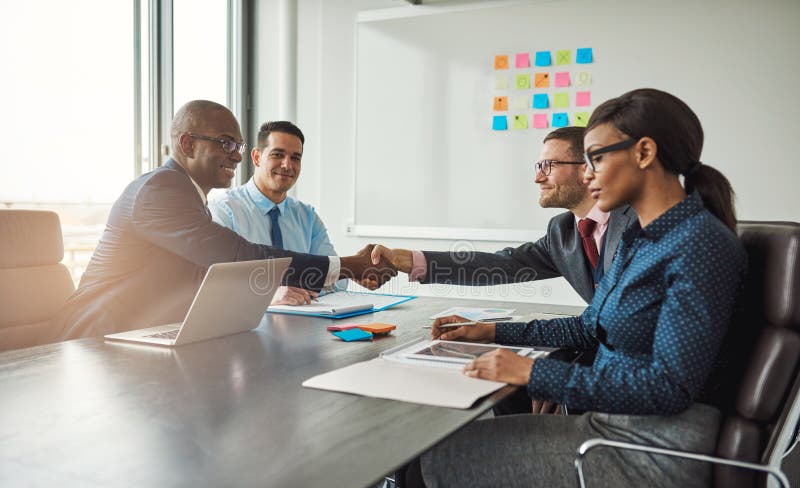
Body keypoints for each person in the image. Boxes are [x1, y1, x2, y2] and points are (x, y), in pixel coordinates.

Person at [405, 88, 748, 488]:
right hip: (610, 431)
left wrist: (534, 374)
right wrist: (492, 333)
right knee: (435, 453)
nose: (588, 176)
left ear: (645, 152)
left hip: (651, 461)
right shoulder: (641, 239)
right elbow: (590, 329)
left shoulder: (697, 243)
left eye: (597, 159)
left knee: (432, 467)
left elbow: (669, 388)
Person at [50, 100, 395, 341]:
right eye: (226, 142)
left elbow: (209, 276)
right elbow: (238, 257)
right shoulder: (160, 190)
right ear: (187, 144)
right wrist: (351, 266)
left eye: (239, 146)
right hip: (92, 339)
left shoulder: (189, 196)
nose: (236, 154)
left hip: (145, 333)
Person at [370, 126, 636, 305]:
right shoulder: (563, 230)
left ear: (587, 168)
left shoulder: (638, 220)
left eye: (548, 166)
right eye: (537, 166)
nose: (537, 177)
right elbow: (502, 265)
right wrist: (409, 260)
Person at [209, 120, 346, 306]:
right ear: (257, 157)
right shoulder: (224, 210)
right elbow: (215, 283)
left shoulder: (308, 217)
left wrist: (297, 287)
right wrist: (267, 295)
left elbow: (338, 280)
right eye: (278, 154)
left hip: (305, 324)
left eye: (295, 158)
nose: (287, 165)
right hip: (246, 326)